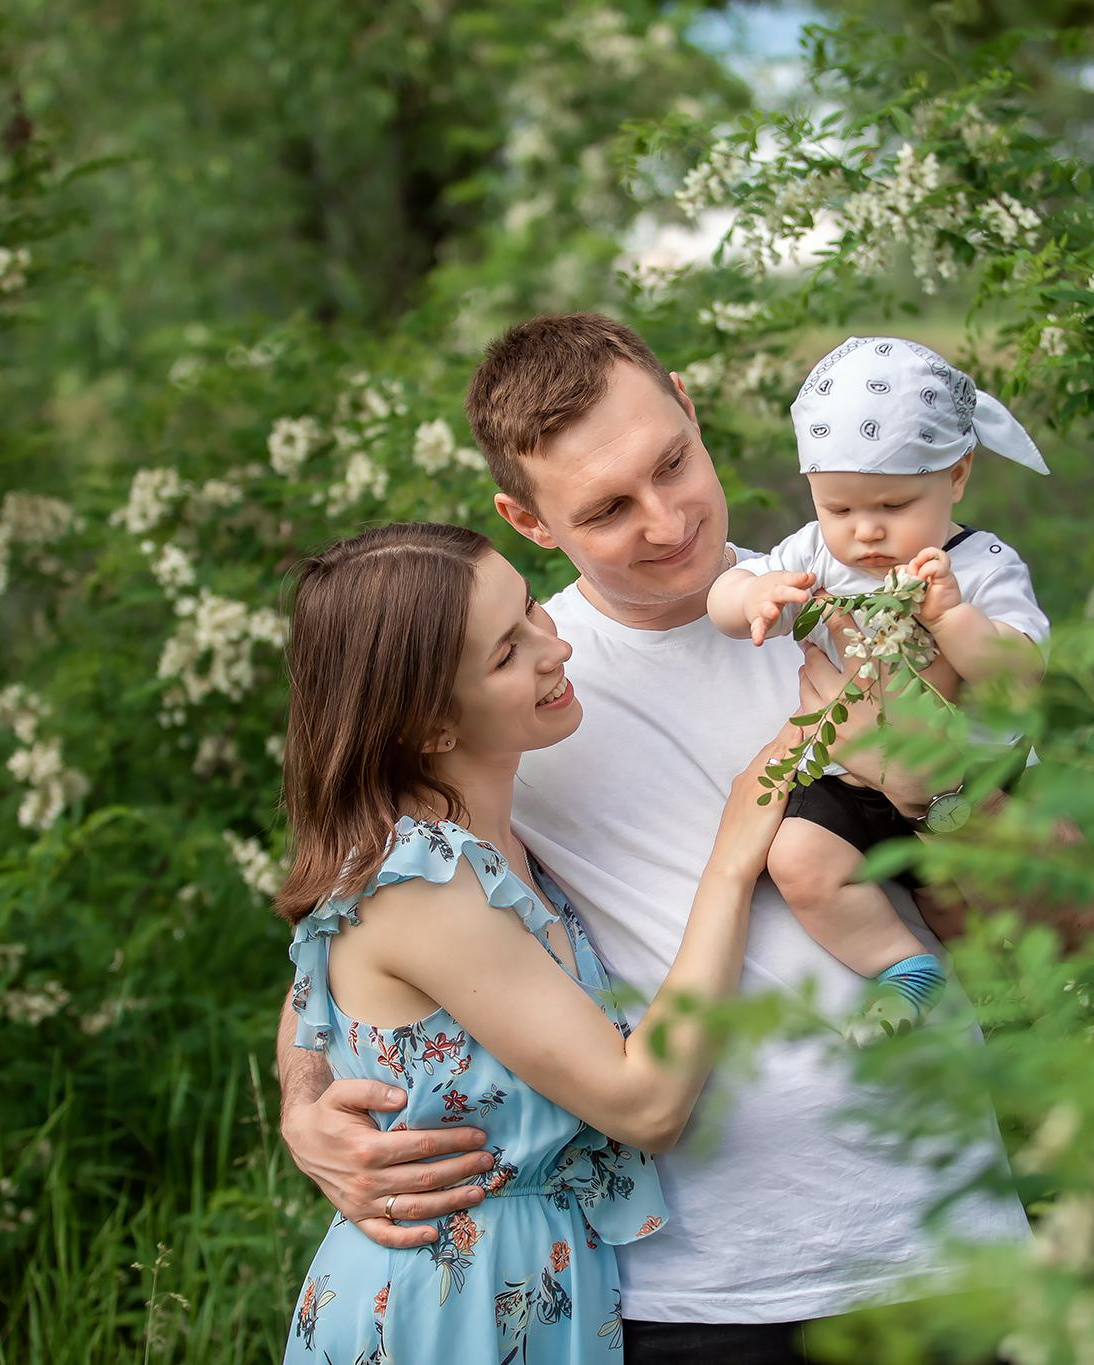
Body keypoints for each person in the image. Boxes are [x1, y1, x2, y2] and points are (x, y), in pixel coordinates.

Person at [278, 314, 1035, 1364]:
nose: (667, 521)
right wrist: (308, 1105)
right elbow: (363, 927)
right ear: (525, 519)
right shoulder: (512, 694)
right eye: (606, 508)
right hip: (688, 1299)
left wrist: (938, 789)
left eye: (672, 463)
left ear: (687, 400)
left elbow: (1067, 928)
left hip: (950, 1253)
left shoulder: (856, 607)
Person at [272, 521, 797, 1363]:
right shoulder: (423, 882)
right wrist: (733, 861)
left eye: (529, 612)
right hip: (454, 1301)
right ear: (431, 727)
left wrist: (304, 1105)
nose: (553, 648)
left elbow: (310, 1012)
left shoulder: (474, 844)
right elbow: (646, 1103)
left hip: (535, 1281)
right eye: (505, 654)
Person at [706, 335, 1052, 1035]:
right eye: (838, 508)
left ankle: (1011, 999)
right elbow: (726, 593)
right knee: (798, 858)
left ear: (955, 476)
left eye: (892, 506)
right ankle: (902, 966)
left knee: (957, 896)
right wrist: (756, 596)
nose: (864, 531)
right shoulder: (812, 553)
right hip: (854, 772)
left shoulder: (981, 564)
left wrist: (953, 617)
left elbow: (1020, 667)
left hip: (971, 776)